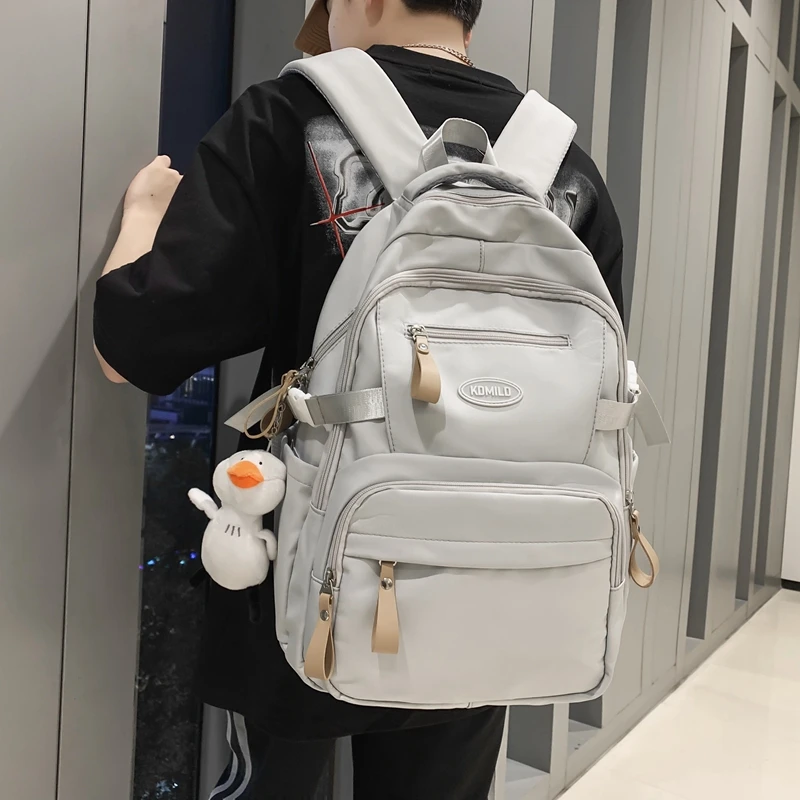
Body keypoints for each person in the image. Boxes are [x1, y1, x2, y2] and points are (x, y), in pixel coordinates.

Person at [94, 1, 624, 797]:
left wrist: (143, 216)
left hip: (307, 576)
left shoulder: (289, 119)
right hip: (491, 584)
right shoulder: (564, 167)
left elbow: (132, 348)